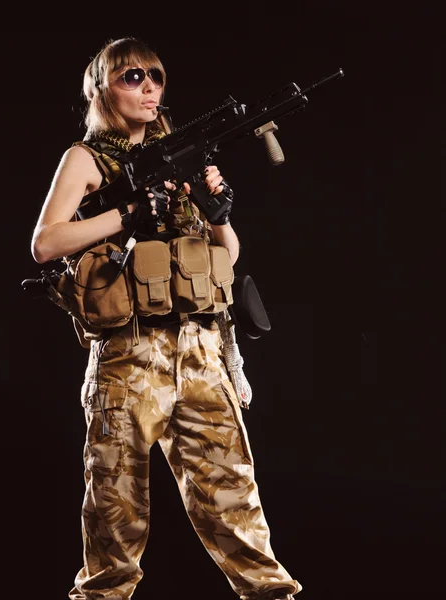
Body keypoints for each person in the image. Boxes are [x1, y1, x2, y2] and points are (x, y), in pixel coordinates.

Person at [30, 36, 302, 600]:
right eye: (132, 77)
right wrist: (127, 212)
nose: (149, 87)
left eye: (155, 76)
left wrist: (218, 212)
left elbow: (226, 254)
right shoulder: (87, 159)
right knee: (114, 515)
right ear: (102, 87)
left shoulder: (184, 154)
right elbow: (46, 243)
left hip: (202, 353)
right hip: (129, 356)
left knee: (236, 506)